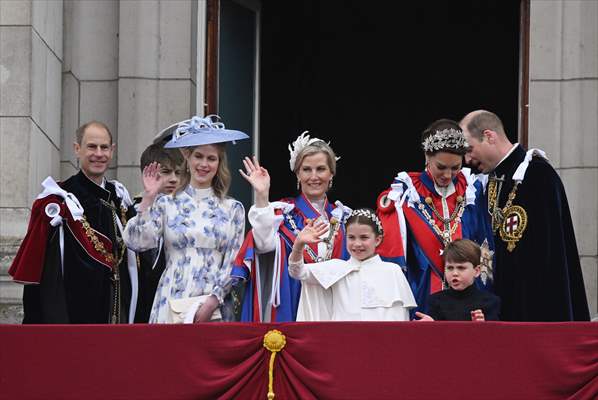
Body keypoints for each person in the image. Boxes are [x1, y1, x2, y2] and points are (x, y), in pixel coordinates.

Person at [459, 110, 590, 321]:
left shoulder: (538, 174)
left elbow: (551, 255)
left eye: (470, 149)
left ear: (489, 136)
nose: (467, 159)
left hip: (535, 307)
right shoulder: (488, 181)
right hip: (499, 306)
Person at [9, 121, 138, 324]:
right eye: (91, 146)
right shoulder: (59, 200)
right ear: (77, 149)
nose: (99, 153)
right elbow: (44, 274)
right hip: (73, 318)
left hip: (116, 315)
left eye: (104, 147)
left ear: (112, 151)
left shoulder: (119, 199)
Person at [123, 115, 247, 323]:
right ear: (187, 158)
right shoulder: (166, 203)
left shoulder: (233, 209)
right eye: (198, 156)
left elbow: (234, 262)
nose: (204, 164)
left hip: (215, 306)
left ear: (219, 163)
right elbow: (137, 242)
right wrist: (148, 198)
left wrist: (212, 301)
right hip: (171, 299)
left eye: (211, 158)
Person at [376, 119, 493, 315]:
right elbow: (391, 252)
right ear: (426, 157)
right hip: (423, 292)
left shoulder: (472, 189)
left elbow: (484, 245)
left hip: (467, 297)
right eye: (441, 167)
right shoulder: (407, 193)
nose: (448, 175)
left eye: (455, 167)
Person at [233, 132, 353, 322]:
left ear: (331, 173)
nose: (314, 176)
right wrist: (262, 195)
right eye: (306, 169)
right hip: (293, 304)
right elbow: (263, 244)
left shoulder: (345, 218)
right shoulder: (283, 213)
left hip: (336, 308)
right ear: (297, 173)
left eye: (320, 169)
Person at [288, 208, 416, 321]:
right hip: (342, 342)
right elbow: (297, 271)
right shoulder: (336, 268)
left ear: (377, 240)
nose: (357, 244)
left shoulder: (392, 271)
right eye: (351, 237)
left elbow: (400, 317)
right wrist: (299, 243)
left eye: (364, 237)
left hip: (381, 343)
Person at [133, 143, 183, 322]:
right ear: (148, 172)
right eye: (166, 171)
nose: (173, 179)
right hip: (136, 308)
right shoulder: (130, 212)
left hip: (173, 310)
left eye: (178, 173)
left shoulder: (186, 216)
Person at [415, 239, 500, 321]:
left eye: (461, 268)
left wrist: (483, 326)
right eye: (450, 268)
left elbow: (495, 334)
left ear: (477, 271)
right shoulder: (435, 301)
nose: (455, 273)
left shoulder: (490, 302)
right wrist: (430, 326)